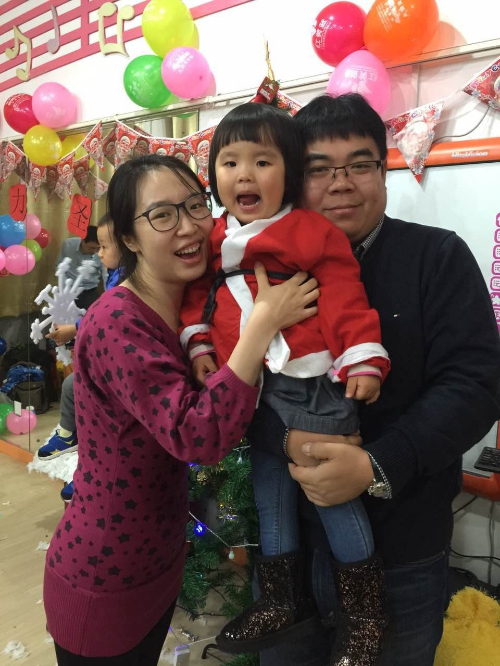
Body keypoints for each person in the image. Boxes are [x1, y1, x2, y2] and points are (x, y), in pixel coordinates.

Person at [247, 93, 500, 666]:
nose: (341, 184)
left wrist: (376, 465)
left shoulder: (436, 256)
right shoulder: (265, 270)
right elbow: (238, 382)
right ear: (295, 180)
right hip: (290, 548)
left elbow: (474, 384)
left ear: (383, 170)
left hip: (402, 552)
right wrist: (284, 440)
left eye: (359, 164)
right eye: (319, 169)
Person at [43, 154, 319, 666]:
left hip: (158, 559)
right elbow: (198, 435)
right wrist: (261, 326)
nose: (189, 226)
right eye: (162, 215)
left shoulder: (186, 307)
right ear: (128, 238)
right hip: (103, 575)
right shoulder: (117, 320)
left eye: (195, 205)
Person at [179, 102, 390, 661]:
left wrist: (361, 356)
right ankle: (279, 598)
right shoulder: (214, 236)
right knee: (268, 491)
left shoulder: (309, 230)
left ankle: (365, 616)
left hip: (308, 381)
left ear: (289, 173)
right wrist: (199, 343)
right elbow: (197, 297)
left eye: (262, 161)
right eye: (230, 162)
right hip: (250, 384)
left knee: (331, 496)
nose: (244, 175)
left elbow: (343, 291)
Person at [39, 215, 124, 507]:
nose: (98, 254)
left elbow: (107, 316)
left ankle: (92, 471)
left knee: (88, 405)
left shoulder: (129, 282)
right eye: (97, 247)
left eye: (104, 247)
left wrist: (76, 329)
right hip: (106, 359)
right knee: (72, 387)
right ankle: (73, 443)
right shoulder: (115, 275)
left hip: (119, 371)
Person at [56, 227, 106, 311]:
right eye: (91, 248)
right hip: (69, 289)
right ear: (82, 241)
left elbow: (106, 275)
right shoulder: (68, 245)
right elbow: (60, 267)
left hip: (90, 290)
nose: (94, 251)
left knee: (92, 315)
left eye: (97, 248)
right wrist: (64, 290)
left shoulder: (102, 252)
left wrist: (109, 294)